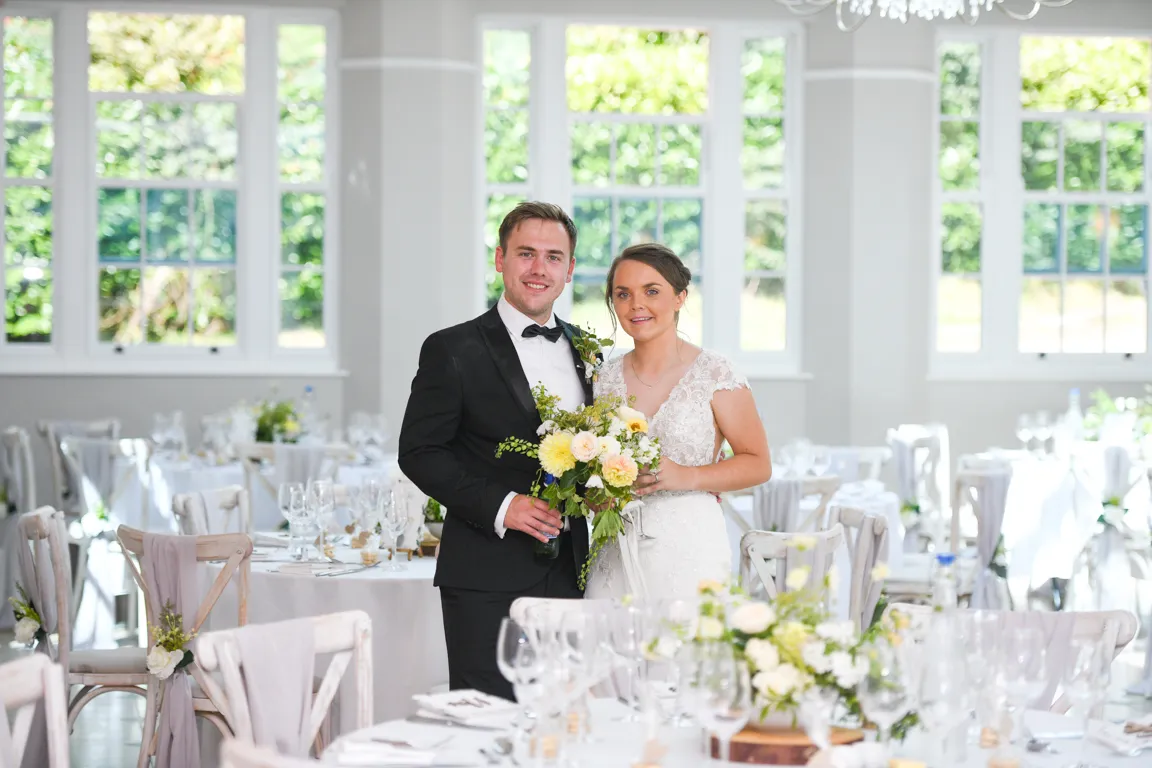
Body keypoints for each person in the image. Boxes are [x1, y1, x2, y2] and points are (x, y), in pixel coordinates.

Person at [398, 202, 591, 700]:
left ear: (569, 270)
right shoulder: (451, 348)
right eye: (526, 253)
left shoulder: (589, 351)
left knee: (563, 722)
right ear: (501, 258)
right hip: (485, 575)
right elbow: (419, 451)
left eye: (553, 257)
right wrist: (504, 506)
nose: (538, 268)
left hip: (573, 573)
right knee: (485, 726)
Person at [584, 243, 773, 600]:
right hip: (615, 549)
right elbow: (590, 473)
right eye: (623, 294)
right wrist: (599, 494)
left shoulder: (715, 373)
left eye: (651, 291)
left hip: (690, 551)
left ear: (680, 297)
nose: (636, 304)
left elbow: (759, 464)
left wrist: (689, 476)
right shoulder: (601, 380)